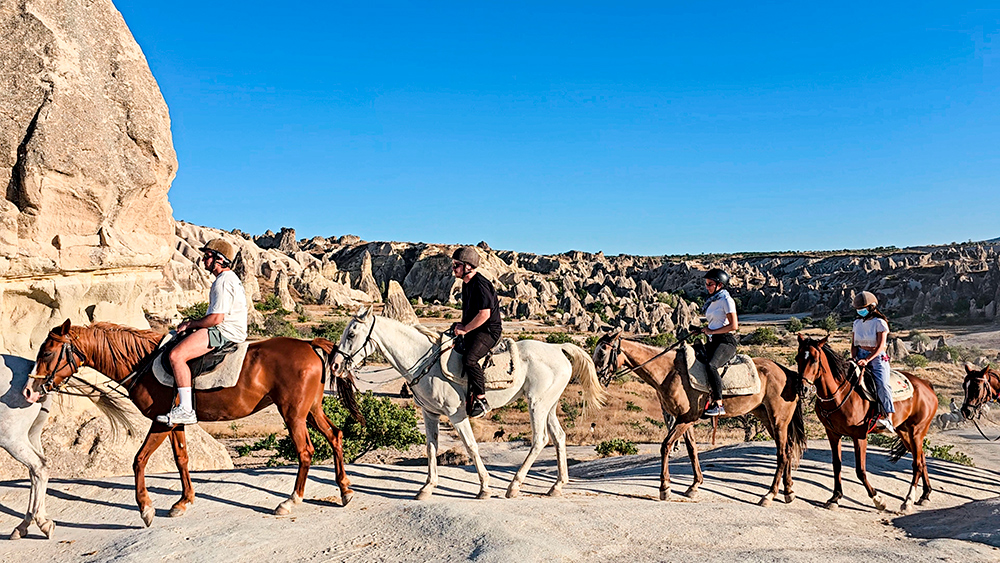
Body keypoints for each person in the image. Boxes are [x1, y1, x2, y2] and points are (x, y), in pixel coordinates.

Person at [156, 238, 248, 426]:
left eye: (207, 256)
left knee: (176, 356)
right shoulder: (231, 279)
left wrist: (190, 324)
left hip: (223, 331)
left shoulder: (222, 282)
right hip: (230, 329)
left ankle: (186, 410)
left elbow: (215, 319)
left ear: (219, 259)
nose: (204, 260)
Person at [451, 246, 502, 419]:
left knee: (470, 359)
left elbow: (484, 314)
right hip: (476, 328)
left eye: (456, 265)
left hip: (488, 331)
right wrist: (461, 324)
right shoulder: (466, 284)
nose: (453, 269)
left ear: (468, 266)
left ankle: (481, 399)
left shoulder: (480, 284)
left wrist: (465, 329)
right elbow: (471, 312)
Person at [851, 291, 895, 433]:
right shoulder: (856, 323)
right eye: (859, 309)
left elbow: (880, 346)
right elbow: (854, 344)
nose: (860, 311)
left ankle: (888, 417)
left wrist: (867, 359)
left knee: (882, 384)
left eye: (862, 308)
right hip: (860, 355)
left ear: (871, 307)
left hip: (876, 357)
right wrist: (854, 358)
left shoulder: (880, 323)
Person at [698, 268, 739, 417]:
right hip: (712, 339)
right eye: (706, 284)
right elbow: (716, 322)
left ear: (719, 285)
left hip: (726, 341)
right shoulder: (713, 300)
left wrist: (712, 332)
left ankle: (719, 404)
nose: (707, 287)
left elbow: (734, 326)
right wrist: (704, 329)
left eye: (710, 284)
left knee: (711, 365)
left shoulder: (726, 300)